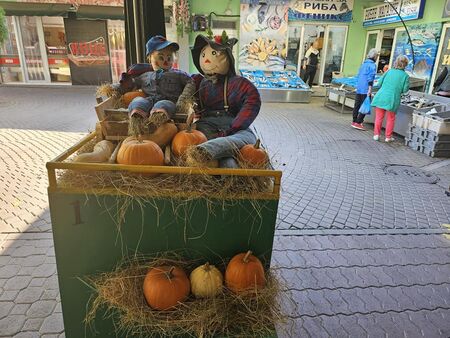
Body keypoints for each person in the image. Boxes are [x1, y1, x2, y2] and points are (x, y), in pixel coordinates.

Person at [187, 32, 261, 168]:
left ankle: (206, 150)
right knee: (210, 139)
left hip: (233, 124)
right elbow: (184, 91)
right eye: (203, 55)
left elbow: (253, 99)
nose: (206, 60)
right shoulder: (197, 81)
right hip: (206, 125)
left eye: (214, 54)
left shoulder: (237, 83)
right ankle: (231, 173)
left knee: (248, 137)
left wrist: (236, 126)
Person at [371, 55, 410, 143]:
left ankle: (376, 135)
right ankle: (388, 137)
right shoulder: (405, 76)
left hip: (381, 97)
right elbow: (405, 90)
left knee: (379, 117)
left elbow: (379, 83)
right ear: (405, 64)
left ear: (396, 62)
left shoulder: (389, 71)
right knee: (391, 118)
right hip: (393, 99)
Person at [351, 48, 378, 131]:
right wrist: (370, 89)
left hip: (359, 87)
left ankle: (354, 120)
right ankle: (358, 122)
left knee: (357, 105)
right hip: (365, 88)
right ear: (375, 56)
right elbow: (371, 77)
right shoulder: (372, 65)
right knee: (365, 105)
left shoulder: (363, 64)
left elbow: (358, 75)